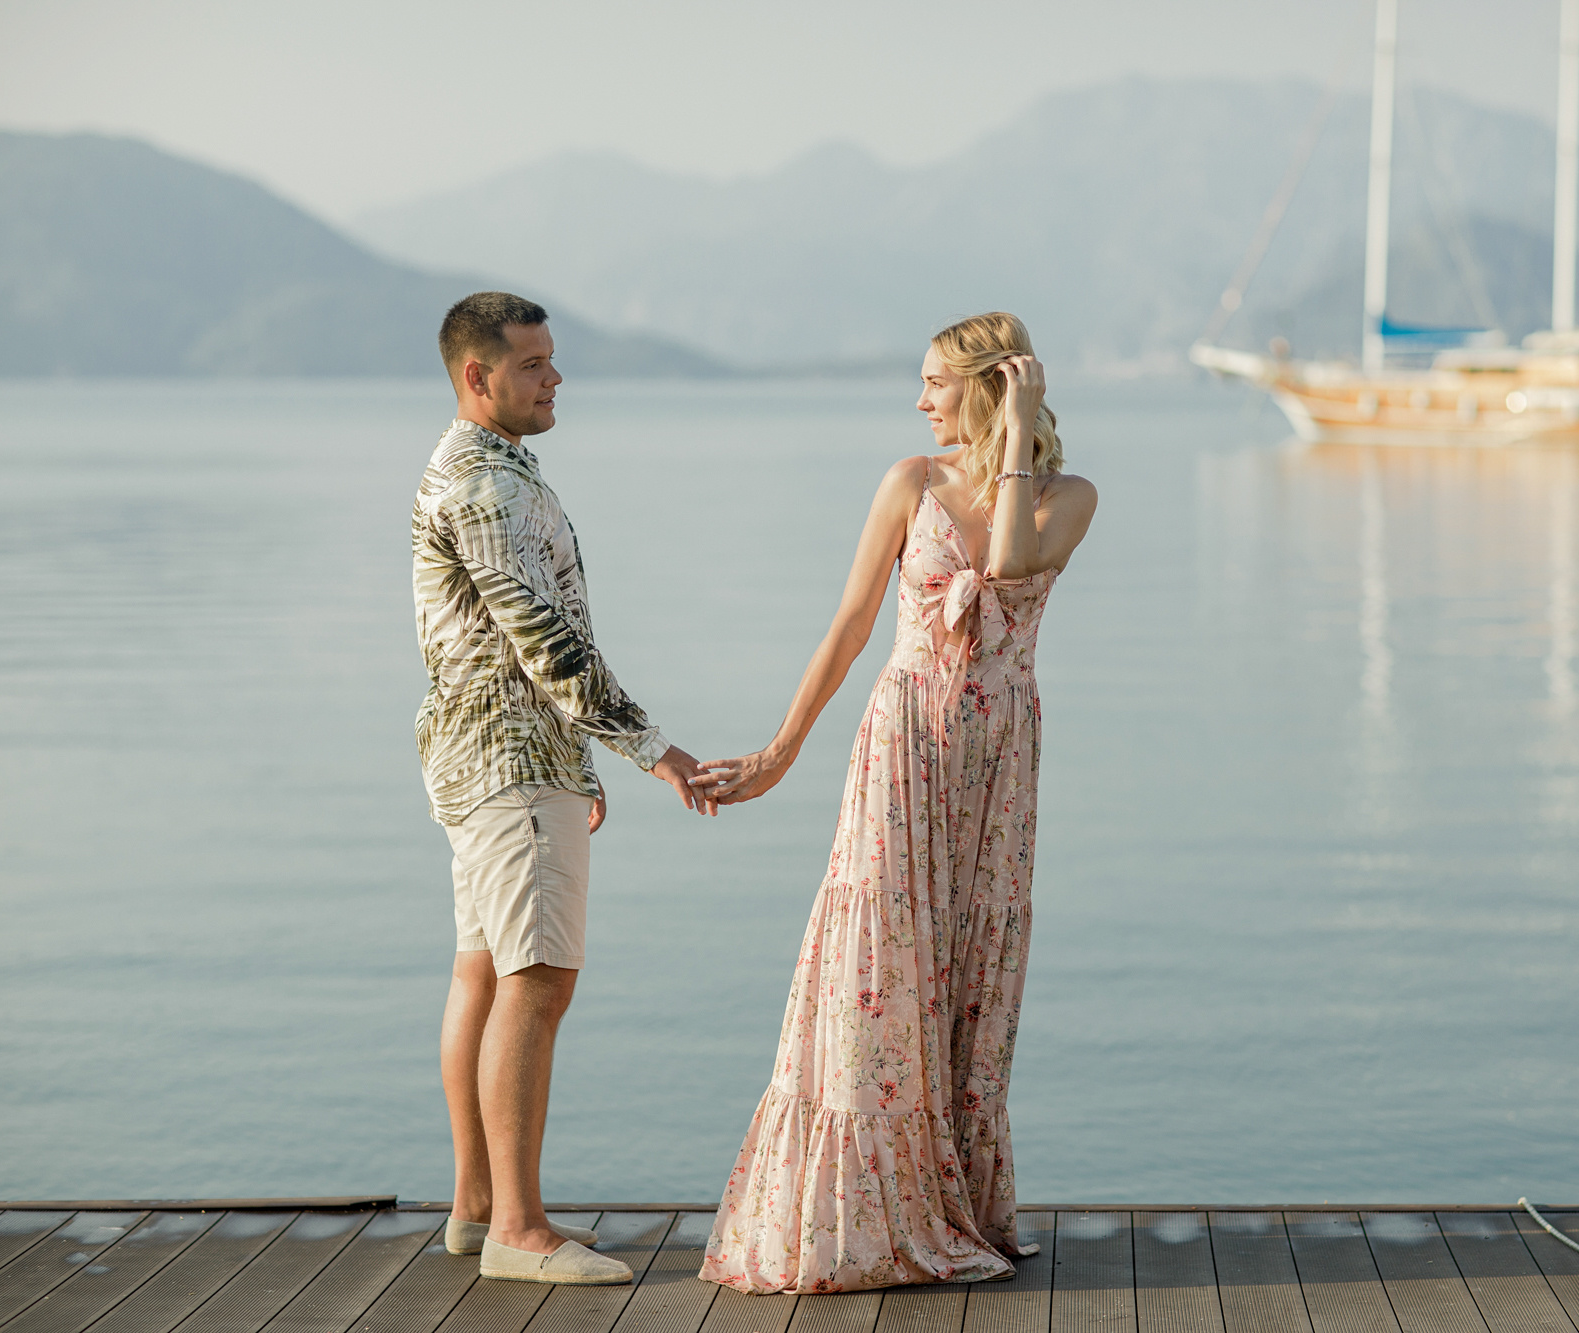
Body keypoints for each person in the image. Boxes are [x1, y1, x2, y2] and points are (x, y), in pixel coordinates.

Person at [693, 312, 1098, 1294]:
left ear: (990, 390)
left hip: (997, 754)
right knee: (883, 955)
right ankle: (871, 1211)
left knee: (970, 960)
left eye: (936, 383)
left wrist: (1021, 427)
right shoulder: (907, 483)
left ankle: (951, 1194)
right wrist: (782, 748)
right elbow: (849, 622)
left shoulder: (1069, 496)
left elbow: (1003, 567)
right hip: (903, 742)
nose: (920, 402)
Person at [412, 292, 717, 1287]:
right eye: (534, 363)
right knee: (536, 983)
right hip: (508, 756)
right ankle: (522, 1231)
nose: (553, 378)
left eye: (551, 359)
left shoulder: (487, 469)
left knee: (484, 973)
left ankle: (478, 1207)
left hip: (494, 755)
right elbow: (543, 638)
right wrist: (653, 749)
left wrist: (578, 760)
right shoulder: (486, 487)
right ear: (478, 375)